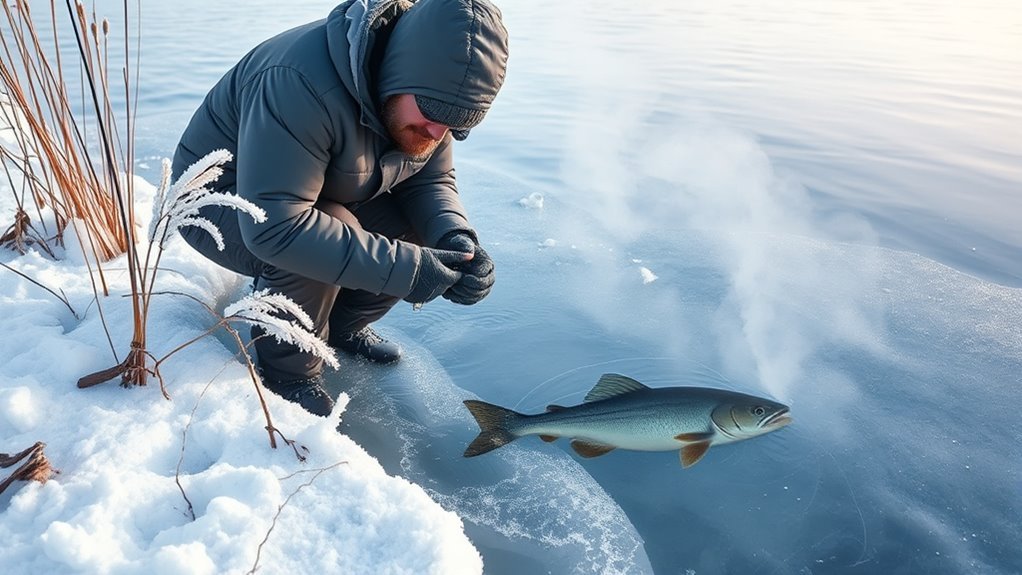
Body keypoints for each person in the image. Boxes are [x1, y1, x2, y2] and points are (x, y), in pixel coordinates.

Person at [170, 0, 509, 416]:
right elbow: (277, 226)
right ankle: (288, 371)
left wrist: (456, 241)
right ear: (397, 73)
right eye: (433, 115)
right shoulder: (297, 82)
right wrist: (412, 271)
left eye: (458, 125)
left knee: (415, 231)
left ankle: (341, 328)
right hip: (221, 204)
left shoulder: (428, 96)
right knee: (327, 229)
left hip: (314, 191)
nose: (438, 132)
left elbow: (430, 181)